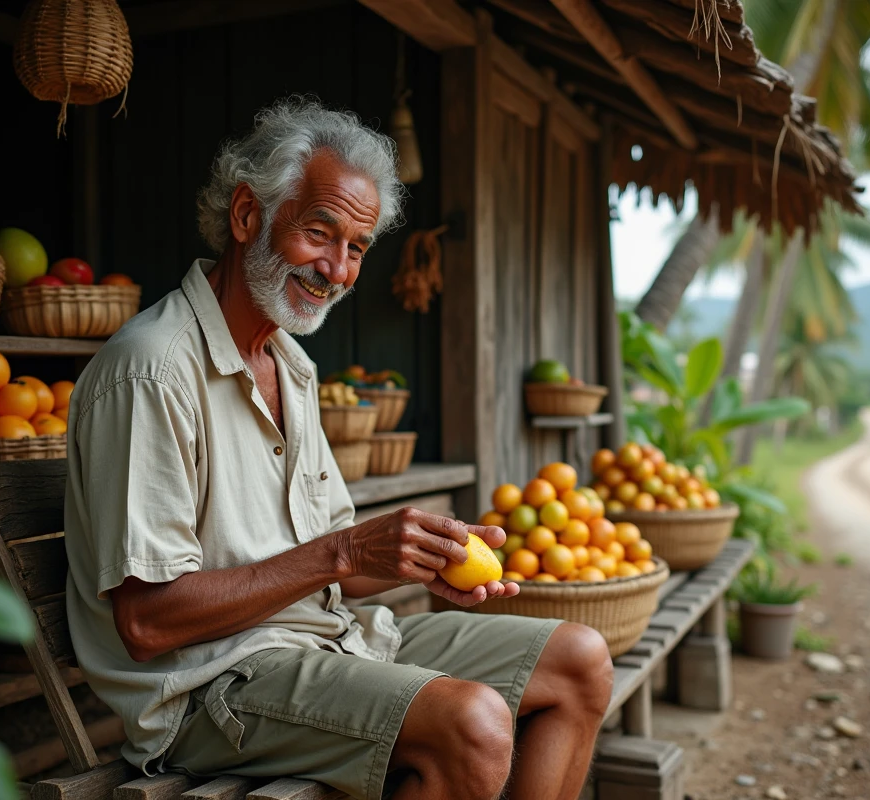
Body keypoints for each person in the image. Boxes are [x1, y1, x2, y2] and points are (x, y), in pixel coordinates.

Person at [63, 98, 613, 800]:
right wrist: (346, 552)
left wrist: (414, 560)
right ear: (246, 217)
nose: (337, 270)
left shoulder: (291, 366)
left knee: (579, 661)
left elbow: (331, 562)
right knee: (472, 724)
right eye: (320, 234)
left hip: (331, 639)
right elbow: (146, 623)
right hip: (208, 690)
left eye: (356, 249)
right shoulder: (152, 370)